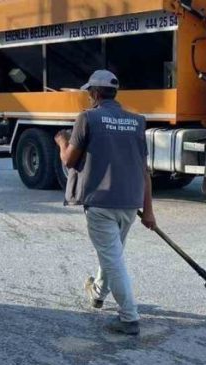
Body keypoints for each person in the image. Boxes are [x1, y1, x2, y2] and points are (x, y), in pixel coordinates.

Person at [55, 69, 156, 336]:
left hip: (101, 204)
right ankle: (98, 293)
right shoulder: (137, 121)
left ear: (95, 94)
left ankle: (129, 317)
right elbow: (144, 170)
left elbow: (68, 160)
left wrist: (62, 142)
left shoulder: (88, 118)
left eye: (90, 93)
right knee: (113, 254)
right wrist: (149, 211)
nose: (89, 97)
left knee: (113, 259)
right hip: (130, 204)